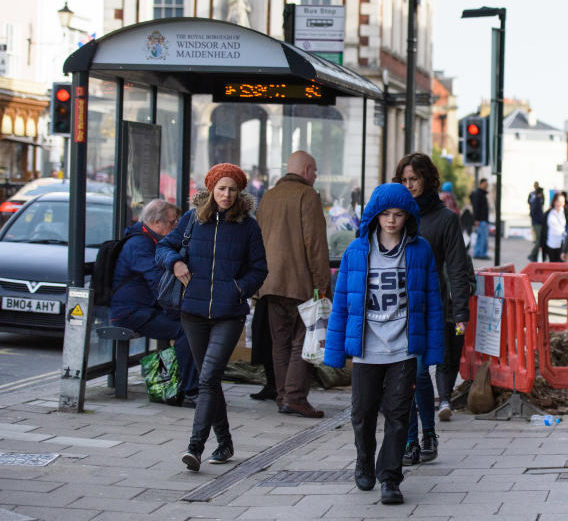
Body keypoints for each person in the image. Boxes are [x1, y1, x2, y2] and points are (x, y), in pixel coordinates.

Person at [324, 182, 444, 505]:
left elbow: (432, 302)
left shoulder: (420, 251)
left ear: (408, 217)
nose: (391, 221)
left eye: (398, 214)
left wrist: (433, 350)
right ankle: (364, 458)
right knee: (361, 413)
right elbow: (342, 304)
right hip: (367, 349)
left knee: (398, 415)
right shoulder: (356, 251)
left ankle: (390, 478)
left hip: (403, 347)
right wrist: (335, 351)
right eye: (385, 214)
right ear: (375, 216)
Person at [157, 163, 268, 472]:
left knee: (207, 378)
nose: (227, 194)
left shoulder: (248, 226)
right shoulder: (193, 220)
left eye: (233, 189)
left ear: (240, 192)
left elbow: (259, 269)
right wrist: (175, 262)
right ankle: (226, 442)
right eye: (222, 188)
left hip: (228, 313)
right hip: (193, 312)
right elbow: (164, 247)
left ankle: (195, 447)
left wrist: (238, 288)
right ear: (211, 190)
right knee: (211, 380)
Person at [394, 153, 475, 466]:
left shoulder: (445, 219)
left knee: (416, 373)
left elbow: (457, 269)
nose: (409, 185)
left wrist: (460, 315)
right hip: (394, 309)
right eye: (404, 180)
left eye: (414, 179)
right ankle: (421, 436)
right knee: (406, 377)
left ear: (427, 179)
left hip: (430, 308)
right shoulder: (395, 213)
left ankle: (421, 437)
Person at [256, 151, 330, 418]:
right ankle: (295, 397)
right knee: (303, 340)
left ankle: (282, 395)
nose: (316, 176)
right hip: (300, 282)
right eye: (316, 171)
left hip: (270, 282)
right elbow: (316, 245)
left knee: (280, 342)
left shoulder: (269, 196)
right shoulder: (307, 196)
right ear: (307, 169)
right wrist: (322, 285)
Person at [109, 199, 199, 406]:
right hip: (130, 312)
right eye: (172, 222)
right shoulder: (139, 244)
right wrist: (181, 311)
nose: (175, 226)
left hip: (144, 308)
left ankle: (180, 384)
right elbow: (158, 283)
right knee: (184, 330)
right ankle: (187, 390)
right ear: (157, 223)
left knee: (188, 324)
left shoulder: (149, 240)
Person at [541, 192, 567, 263]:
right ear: (554, 201)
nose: (561, 204)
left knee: (562, 266)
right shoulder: (548, 213)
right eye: (559, 201)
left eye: (563, 201)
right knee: (552, 264)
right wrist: (541, 244)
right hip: (551, 243)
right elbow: (543, 229)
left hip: (562, 243)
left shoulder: (566, 213)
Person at [469, 179, 490, 259]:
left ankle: (477, 253)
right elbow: (476, 208)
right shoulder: (479, 194)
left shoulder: (481, 194)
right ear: (480, 184)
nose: (486, 186)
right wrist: (476, 219)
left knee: (479, 237)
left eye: (487, 184)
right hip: (481, 220)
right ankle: (482, 254)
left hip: (481, 220)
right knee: (483, 238)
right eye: (485, 184)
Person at [527, 182, 545, 262]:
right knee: (538, 240)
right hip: (537, 223)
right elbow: (533, 212)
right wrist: (538, 220)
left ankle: (534, 255)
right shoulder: (536, 200)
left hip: (537, 222)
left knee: (538, 240)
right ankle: (532, 255)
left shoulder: (538, 200)